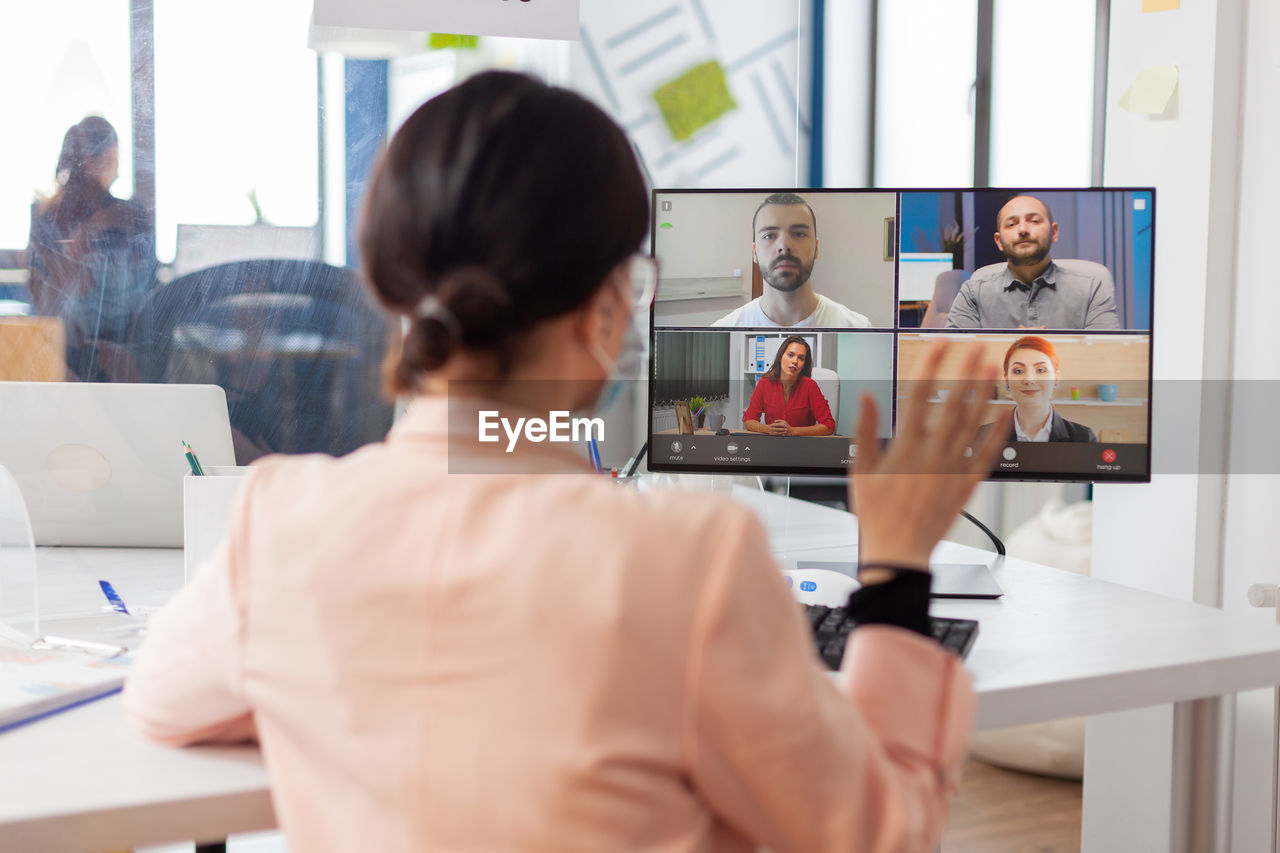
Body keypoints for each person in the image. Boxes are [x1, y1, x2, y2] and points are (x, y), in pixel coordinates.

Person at [123, 71, 1010, 852]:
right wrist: (894, 568)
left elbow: (162, 702)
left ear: (395, 291)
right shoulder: (692, 562)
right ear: (607, 312)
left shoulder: (280, 525)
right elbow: (877, 833)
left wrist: (338, 684)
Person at [25, 116, 156, 381]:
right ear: (111, 155)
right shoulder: (130, 216)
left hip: (69, 355)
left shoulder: (44, 214)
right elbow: (147, 302)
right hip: (101, 355)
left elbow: (41, 301)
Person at [945, 194, 1119, 330]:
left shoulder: (1091, 289)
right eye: (1011, 224)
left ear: (1054, 232)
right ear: (998, 241)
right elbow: (953, 357)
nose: (1023, 230)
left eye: (1034, 221)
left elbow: (1108, 358)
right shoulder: (974, 292)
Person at [712, 192, 872, 328]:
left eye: (799, 234)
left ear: (816, 248)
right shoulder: (723, 330)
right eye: (769, 236)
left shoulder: (857, 327)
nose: (784, 245)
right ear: (754, 252)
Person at [976, 336, 1097, 443]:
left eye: (1041, 370)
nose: (1029, 379)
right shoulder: (981, 437)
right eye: (1018, 371)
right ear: (1007, 379)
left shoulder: (1083, 438)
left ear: (1056, 378)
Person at [743, 334, 835, 436]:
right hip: (773, 445)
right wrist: (768, 429)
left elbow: (829, 426)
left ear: (804, 364)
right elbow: (749, 420)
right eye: (790, 355)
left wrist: (793, 431)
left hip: (802, 446)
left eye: (800, 358)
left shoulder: (810, 386)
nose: (795, 361)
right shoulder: (764, 383)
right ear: (780, 357)